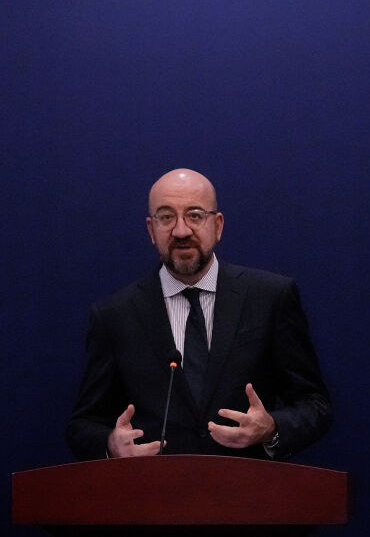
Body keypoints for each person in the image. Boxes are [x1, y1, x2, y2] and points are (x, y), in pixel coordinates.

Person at [66, 169, 332, 460]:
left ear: (217, 225)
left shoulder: (270, 298)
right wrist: (111, 444)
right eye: (166, 217)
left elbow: (314, 404)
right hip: (154, 496)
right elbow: (83, 424)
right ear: (150, 230)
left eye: (195, 215)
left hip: (246, 494)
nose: (181, 231)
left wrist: (272, 428)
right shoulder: (114, 316)